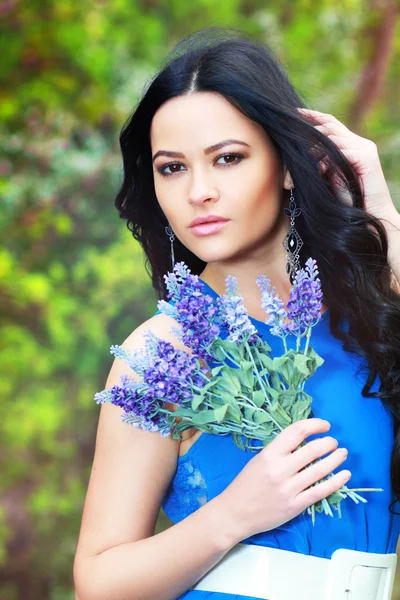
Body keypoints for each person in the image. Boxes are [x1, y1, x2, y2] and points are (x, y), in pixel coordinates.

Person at [73, 28, 400, 600]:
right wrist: (235, 515)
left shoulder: (371, 317)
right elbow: (99, 581)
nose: (199, 191)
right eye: (172, 168)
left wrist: (379, 208)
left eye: (227, 158)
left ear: (289, 165)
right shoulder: (160, 357)